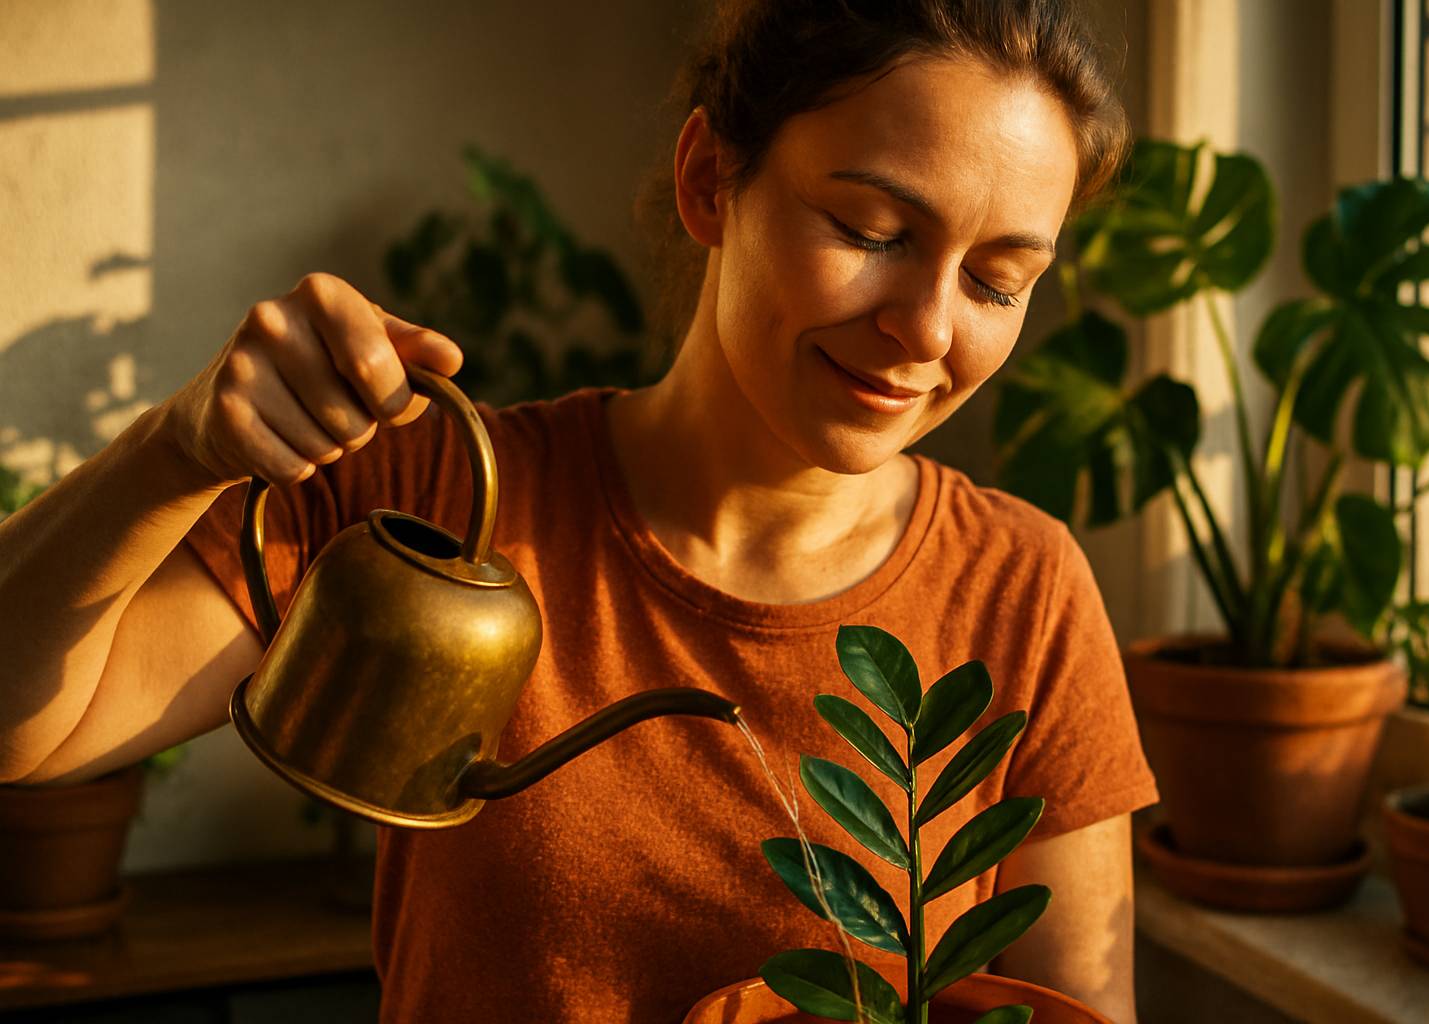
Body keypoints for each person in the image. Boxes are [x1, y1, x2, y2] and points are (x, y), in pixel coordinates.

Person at [0, 1, 1157, 1020]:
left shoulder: (1022, 589)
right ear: (712, 179)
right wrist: (174, 451)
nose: (929, 330)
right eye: (871, 232)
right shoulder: (437, 508)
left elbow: (1062, 1009)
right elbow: (28, 728)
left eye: (999, 280)